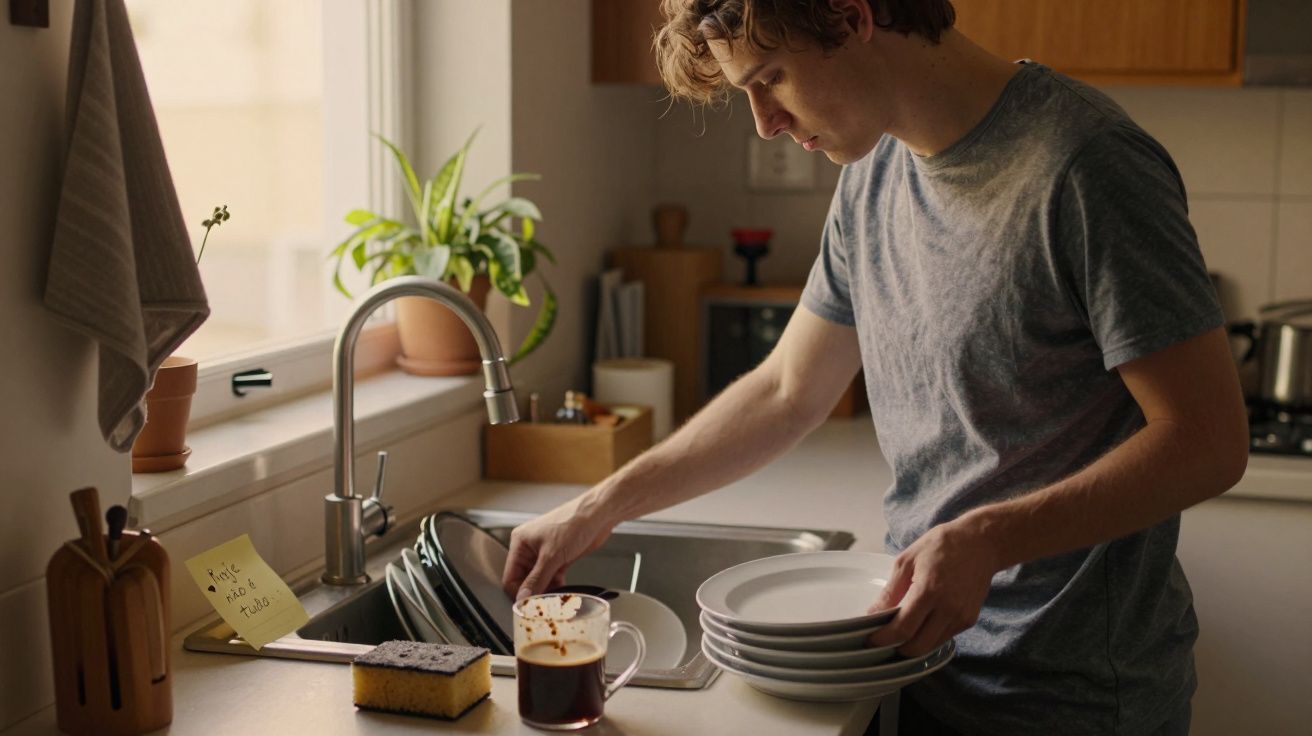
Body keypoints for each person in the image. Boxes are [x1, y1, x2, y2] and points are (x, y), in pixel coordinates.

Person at [502, 1, 1249, 733]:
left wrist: (988, 537)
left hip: (1074, 698)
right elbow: (788, 392)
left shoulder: (1087, 165)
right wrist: (599, 506)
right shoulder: (873, 168)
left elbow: (1206, 441)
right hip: (923, 665)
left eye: (771, 78)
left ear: (853, 17)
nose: (765, 122)